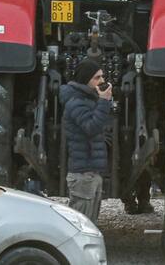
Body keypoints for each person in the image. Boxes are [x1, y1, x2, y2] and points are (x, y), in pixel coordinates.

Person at [60, 58, 113, 225]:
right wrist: (104, 102)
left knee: (89, 225)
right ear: (85, 78)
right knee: (80, 226)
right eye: (97, 77)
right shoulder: (76, 102)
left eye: (102, 76)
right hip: (83, 174)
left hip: (90, 173)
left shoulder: (87, 100)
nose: (102, 81)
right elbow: (91, 127)